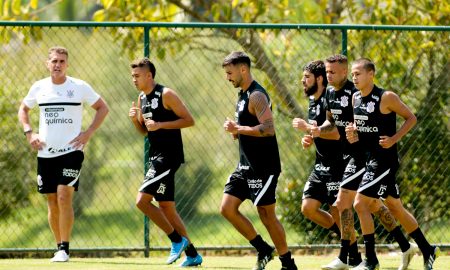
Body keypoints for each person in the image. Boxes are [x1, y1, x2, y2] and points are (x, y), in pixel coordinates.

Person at [315, 55, 417, 270]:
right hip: (351, 156)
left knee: (350, 203)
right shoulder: (330, 93)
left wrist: (388, 139)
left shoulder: (359, 92)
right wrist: (315, 130)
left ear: (345, 72)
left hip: (365, 157)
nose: (328, 75)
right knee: (375, 205)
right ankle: (404, 245)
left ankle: (355, 258)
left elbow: (366, 125)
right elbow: (333, 123)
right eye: (327, 71)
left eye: (333, 71)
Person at [345, 58, 439, 270]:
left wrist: (393, 139)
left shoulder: (386, 97)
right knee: (395, 207)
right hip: (370, 160)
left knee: (360, 203)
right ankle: (426, 249)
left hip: (384, 161)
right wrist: (353, 134)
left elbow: (411, 118)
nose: (354, 77)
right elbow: (359, 128)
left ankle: (370, 260)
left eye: (358, 73)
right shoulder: (355, 98)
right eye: (353, 74)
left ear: (371, 74)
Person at [18, 46, 109, 262]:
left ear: (67, 65)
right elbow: (23, 109)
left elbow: (102, 107)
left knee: (63, 195)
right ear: (47, 64)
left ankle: (65, 248)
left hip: (71, 151)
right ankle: (59, 247)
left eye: (62, 61)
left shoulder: (79, 87)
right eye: (54, 61)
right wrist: (30, 133)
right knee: (51, 200)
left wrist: (88, 133)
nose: (57, 65)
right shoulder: (39, 87)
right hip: (46, 153)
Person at [220, 51, 297, 270]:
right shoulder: (241, 96)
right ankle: (263, 249)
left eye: (230, 73)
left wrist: (239, 128)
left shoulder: (256, 95)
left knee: (266, 214)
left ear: (243, 69)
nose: (228, 78)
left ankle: (288, 263)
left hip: (263, 166)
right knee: (227, 208)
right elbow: (250, 128)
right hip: (244, 166)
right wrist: (237, 132)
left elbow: (269, 129)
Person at [128, 58, 203, 267]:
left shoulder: (166, 94)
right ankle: (192, 255)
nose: (134, 79)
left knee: (142, 201)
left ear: (149, 76)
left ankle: (176, 240)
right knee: (167, 207)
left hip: (168, 157)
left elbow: (189, 120)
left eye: (137, 76)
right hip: (156, 156)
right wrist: (136, 120)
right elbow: (145, 131)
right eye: (132, 76)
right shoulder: (141, 97)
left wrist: (160, 124)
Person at [291, 60, 344, 245]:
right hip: (320, 165)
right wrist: (309, 138)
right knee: (308, 208)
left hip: (338, 164)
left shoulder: (330, 98)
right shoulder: (312, 101)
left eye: (307, 77)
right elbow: (318, 131)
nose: (303, 81)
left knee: (337, 210)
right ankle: (347, 242)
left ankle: (351, 253)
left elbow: (337, 134)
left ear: (319, 79)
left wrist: (307, 128)